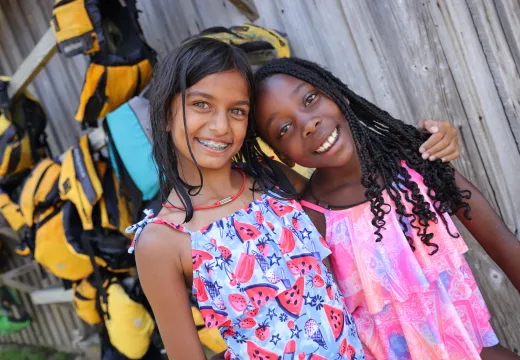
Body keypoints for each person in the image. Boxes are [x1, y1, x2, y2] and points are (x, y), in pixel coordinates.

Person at [252, 57, 520, 360]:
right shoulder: (314, 218)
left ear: (339, 94)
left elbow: (502, 243)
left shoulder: (418, 162)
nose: (308, 123)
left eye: (311, 99)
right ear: (283, 156)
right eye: (285, 128)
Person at [127, 38, 366, 359]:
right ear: (165, 115)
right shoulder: (162, 242)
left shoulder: (274, 180)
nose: (221, 126)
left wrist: (424, 143)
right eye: (201, 104)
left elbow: (352, 204)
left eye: (236, 111)